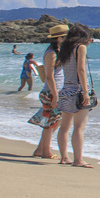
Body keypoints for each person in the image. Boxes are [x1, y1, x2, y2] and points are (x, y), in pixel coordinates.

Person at [53, 23, 95, 167]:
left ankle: (64, 157)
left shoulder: (65, 49)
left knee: (64, 127)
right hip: (77, 91)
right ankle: (78, 159)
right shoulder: (80, 48)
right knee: (79, 127)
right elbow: (81, 70)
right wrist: (85, 92)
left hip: (65, 90)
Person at [32, 23, 70, 161]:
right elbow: (49, 76)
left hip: (54, 91)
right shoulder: (51, 54)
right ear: (59, 39)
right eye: (66, 37)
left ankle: (40, 149)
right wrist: (55, 95)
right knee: (50, 123)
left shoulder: (56, 52)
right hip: (51, 92)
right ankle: (45, 152)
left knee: (54, 122)